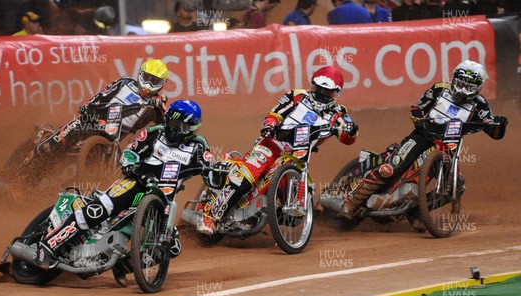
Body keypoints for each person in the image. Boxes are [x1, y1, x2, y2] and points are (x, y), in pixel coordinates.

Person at [35, 99, 214, 268]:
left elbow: (210, 168)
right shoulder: (153, 133)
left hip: (163, 199)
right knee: (98, 209)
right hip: (135, 183)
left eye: (181, 127)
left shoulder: (198, 146)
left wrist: (216, 171)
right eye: (173, 124)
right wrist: (129, 164)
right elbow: (130, 152)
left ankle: (126, 266)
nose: (174, 130)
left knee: (173, 247)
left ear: (192, 129)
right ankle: (47, 246)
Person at [197, 66, 359, 235]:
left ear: (335, 93)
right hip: (271, 144)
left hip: (296, 155)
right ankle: (210, 217)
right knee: (247, 176)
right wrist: (269, 125)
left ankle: (266, 214)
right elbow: (275, 114)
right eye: (318, 89)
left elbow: (347, 136)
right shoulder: (296, 95)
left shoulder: (339, 113)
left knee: (293, 201)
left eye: (326, 92)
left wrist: (351, 131)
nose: (320, 94)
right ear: (313, 86)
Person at [338, 60, 508, 220]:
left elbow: (494, 131)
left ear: (477, 88)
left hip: (448, 147)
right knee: (390, 168)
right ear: (454, 79)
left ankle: (418, 213)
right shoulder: (440, 88)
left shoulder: (481, 105)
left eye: (468, 87)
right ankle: (351, 201)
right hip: (422, 136)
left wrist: (500, 125)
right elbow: (417, 108)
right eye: (460, 84)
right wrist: (419, 121)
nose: (463, 90)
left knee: (457, 186)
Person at [29, 59, 170, 173]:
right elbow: (103, 95)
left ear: (162, 84)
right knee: (51, 146)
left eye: (155, 81)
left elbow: (167, 126)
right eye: (147, 78)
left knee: (90, 167)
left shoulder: (156, 104)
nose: (149, 84)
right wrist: (88, 105)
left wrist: (161, 108)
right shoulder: (125, 82)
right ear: (140, 74)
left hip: (113, 137)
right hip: (92, 121)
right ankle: (24, 173)